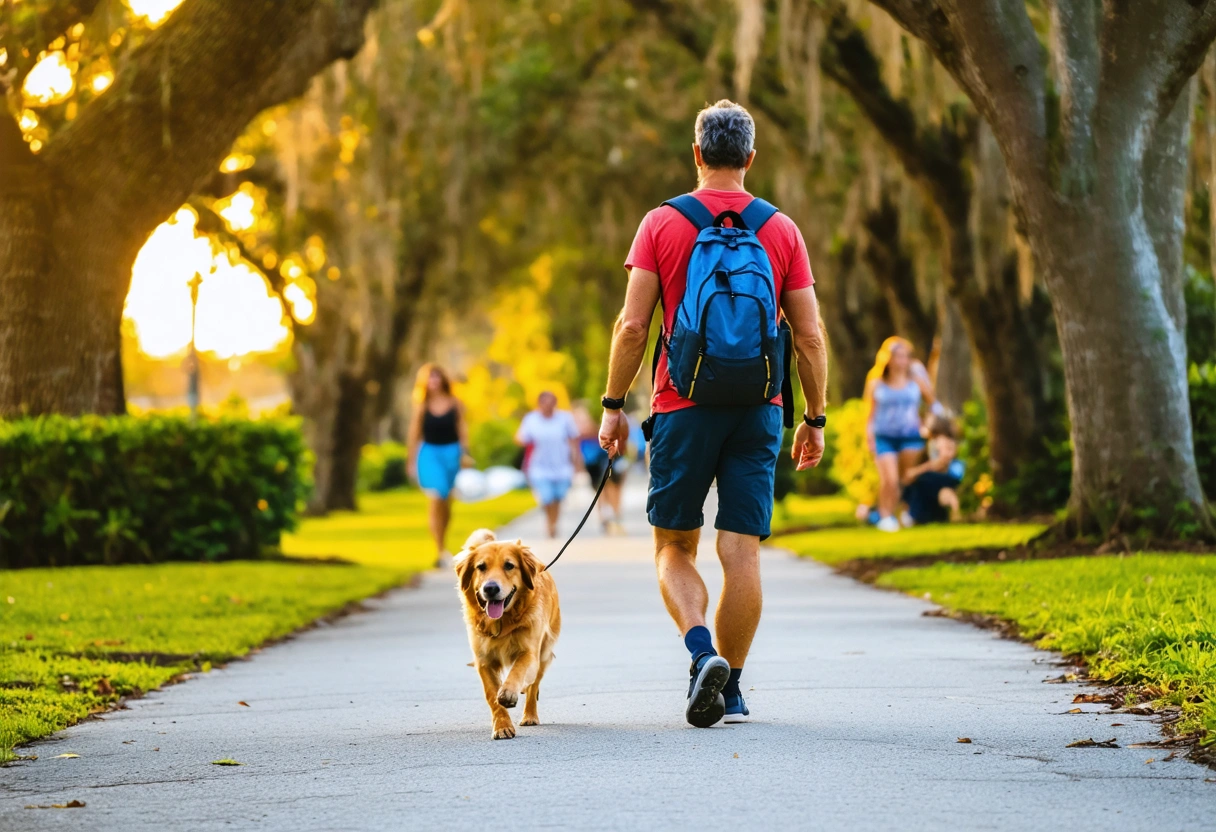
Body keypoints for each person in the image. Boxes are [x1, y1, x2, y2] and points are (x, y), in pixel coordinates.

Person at [598, 100, 829, 728]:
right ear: (750, 158)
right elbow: (808, 337)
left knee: (674, 545)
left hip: (682, 405)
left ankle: (702, 653)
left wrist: (614, 406)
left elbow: (632, 327)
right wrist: (814, 418)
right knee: (741, 551)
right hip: (759, 408)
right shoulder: (780, 229)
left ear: (697, 153)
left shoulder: (661, 223)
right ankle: (732, 687)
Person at [863, 337, 936, 533]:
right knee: (890, 479)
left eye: (905, 356)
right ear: (888, 359)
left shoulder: (916, 379)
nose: (902, 361)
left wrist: (932, 425)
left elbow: (932, 404)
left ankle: (906, 511)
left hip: (911, 435)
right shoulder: (876, 382)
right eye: (897, 356)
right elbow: (869, 414)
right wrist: (868, 437)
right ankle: (886, 516)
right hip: (884, 436)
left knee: (907, 478)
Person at [406, 364, 472, 566]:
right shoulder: (422, 406)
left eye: (436, 377)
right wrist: (410, 461)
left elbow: (462, 429)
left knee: (446, 502)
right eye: (430, 378)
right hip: (429, 454)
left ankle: (444, 539)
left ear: (443, 380)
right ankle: (439, 549)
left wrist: (465, 453)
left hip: (452, 453)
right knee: (436, 497)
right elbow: (414, 434)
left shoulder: (455, 403)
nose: (433, 382)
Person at [515, 391, 580, 539]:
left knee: (558, 497)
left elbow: (574, 440)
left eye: (551, 403)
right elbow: (520, 438)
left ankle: (554, 522)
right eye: (545, 403)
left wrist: (577, 462)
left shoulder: (564, 419)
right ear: (539, 404)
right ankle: (549, 523)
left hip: (562, 465)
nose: (548, 406)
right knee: (546, 498)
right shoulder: (531, 420)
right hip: (538, 466)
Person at [573, 403, 628, 535]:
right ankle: (605, 517)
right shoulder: (583, 426)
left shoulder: (611, 418)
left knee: (613, 488)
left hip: (609, 458)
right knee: (601, 490)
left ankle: (614, 516)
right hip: (593, 462)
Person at [900, 415, 964, 524]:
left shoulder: (943, 441)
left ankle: (912, 516)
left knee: (922, 480)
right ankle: (922, 516)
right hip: (938, 477)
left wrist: (916, 471)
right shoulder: (931, 444)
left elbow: (941, 462)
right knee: (916, 486)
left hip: (950, 475)